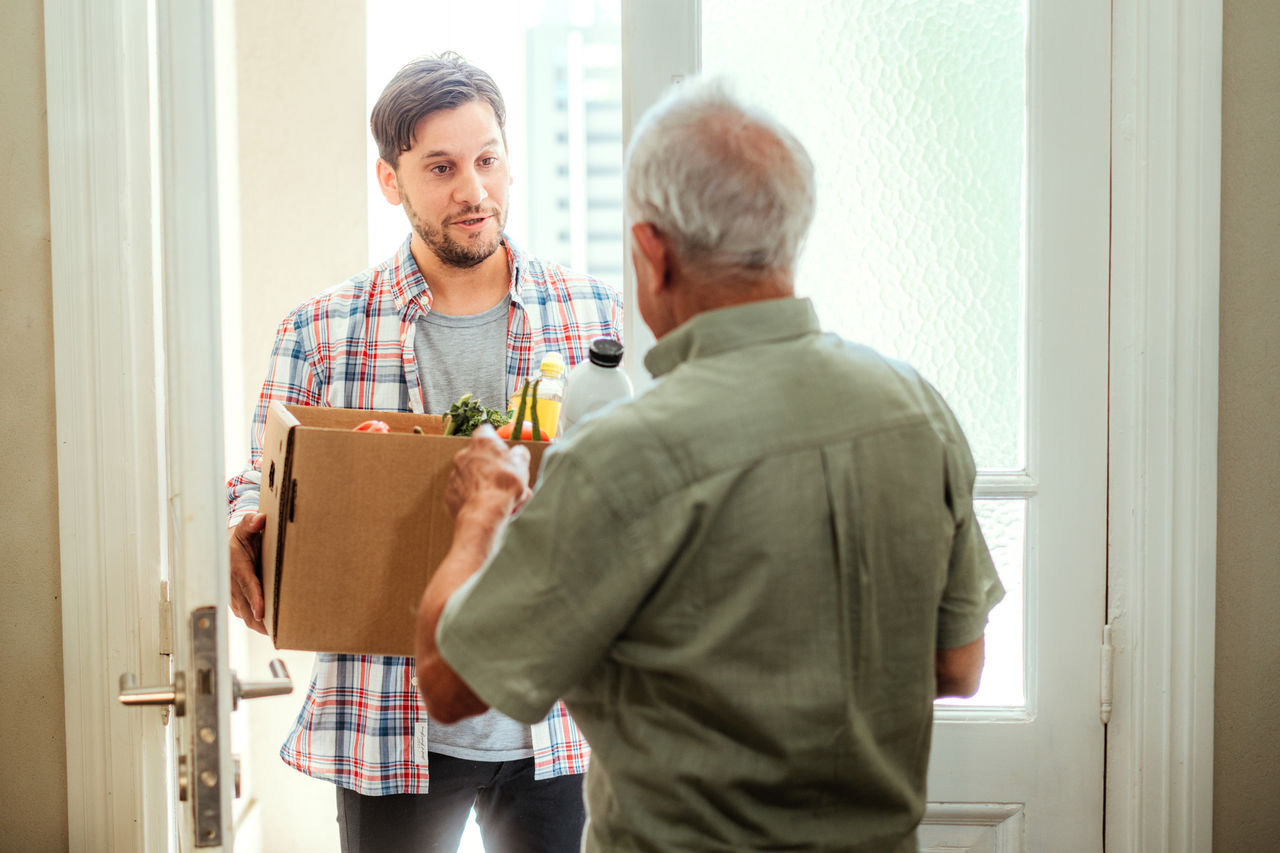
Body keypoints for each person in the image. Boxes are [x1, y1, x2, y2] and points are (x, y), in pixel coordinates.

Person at [414, 78, 1006, 852]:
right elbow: (958, 664)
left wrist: (482, 511)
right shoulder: (917, 410)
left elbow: (451, 682)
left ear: (652, 254)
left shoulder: (619, 458)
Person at [226, 53, 621, 852]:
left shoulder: (593, 316)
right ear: (390, 179)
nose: (472, 190)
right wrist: (242, 525)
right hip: (389, 719)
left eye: (487, 159)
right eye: (440, 167)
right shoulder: (322, 328)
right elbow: (259, 478)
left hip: (557, 723)